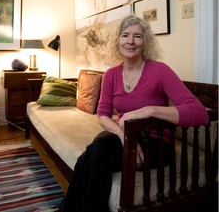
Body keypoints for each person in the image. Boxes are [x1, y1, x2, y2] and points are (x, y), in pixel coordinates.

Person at [59, 15, 209, 212]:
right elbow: (103, 115)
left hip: (157, 145)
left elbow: (200, 113)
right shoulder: (111, 74)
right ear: (117, 41)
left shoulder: (160, 71)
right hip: (126, 137)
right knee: (93, 155)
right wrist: (123, 136)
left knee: (93, 154)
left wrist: (148, 110)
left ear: (145, 42)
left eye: (137, 36)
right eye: (125, 35)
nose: (130, 41)